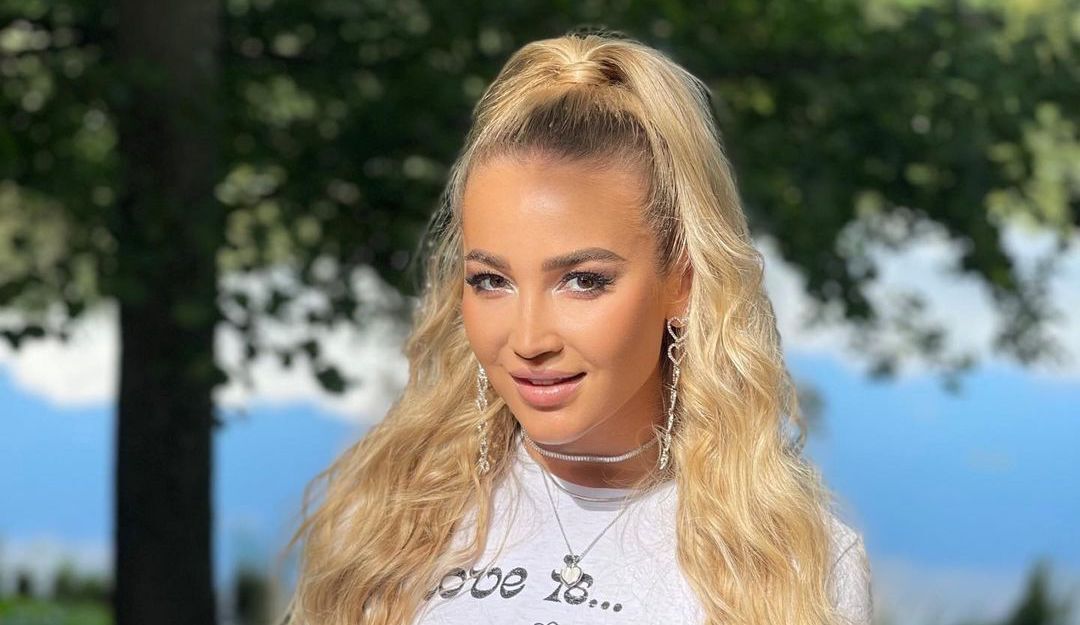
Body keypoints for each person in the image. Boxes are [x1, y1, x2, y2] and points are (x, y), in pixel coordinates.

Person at [279, 29, 872, 625]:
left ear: (683, 283)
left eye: (583, 280)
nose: (529, 340)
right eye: (491, 280)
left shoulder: (796, 567)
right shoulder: (384, 527)